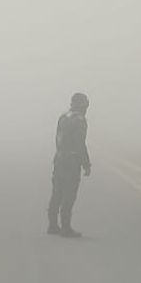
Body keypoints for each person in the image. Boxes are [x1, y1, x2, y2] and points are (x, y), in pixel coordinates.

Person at [48, 92, 91, 237]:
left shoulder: (63, 117)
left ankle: (53, 225)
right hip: (72, 161)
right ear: (82, 105)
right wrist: (86, 163)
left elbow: (57, 138)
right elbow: (80, 144)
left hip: (59, 158)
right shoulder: (80, 120)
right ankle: (66, 227)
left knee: (56, 193)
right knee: (69, 194)